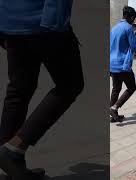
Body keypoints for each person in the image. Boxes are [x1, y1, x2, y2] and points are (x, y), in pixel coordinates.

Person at [0, 0, 84, 179]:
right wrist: (55, 22)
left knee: (19, 90)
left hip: (10, 22)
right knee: (70, 85)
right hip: (44, 21)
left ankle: (11, 165)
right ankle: (12, 151)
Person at [110, 6, 136, 122]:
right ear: (131, 17)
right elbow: (134, 48)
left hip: (112, 64)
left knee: (116, 89)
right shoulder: (128, 28)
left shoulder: (115, 28)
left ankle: (113, 115)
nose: (133, 21)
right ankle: (114, 107)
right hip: (122, 65)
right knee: (132, 87)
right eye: (134, 19)